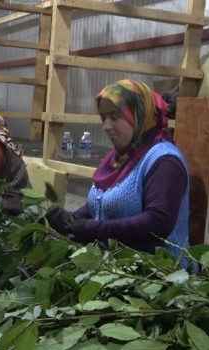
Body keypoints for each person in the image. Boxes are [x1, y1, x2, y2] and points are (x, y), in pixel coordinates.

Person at [46, 79, 190, 258]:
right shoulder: (119, 157)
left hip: (157, 271)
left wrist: (92, 229)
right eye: (104, 117)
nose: (106, 126)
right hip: (114, 262)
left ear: (138, 115)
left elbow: (157, 222)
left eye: (114, 117)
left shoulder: (164, 161)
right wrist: (71, 219)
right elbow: (103, 204)